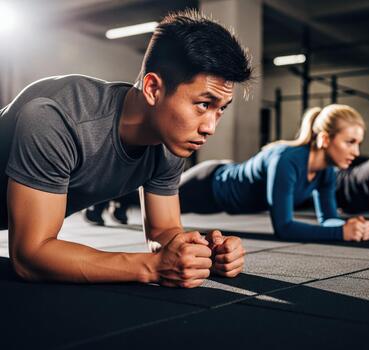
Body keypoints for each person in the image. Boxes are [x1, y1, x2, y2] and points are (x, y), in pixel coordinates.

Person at [0, 10, 252, 288]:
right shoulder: (56, 118)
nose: (210, 127)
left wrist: (200, 255)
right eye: (203, 104)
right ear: (153, 88)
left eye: (220, 110)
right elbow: (29, 256)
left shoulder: (168, 141)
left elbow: (164, 232)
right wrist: (151, 268)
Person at [179, 104, 369, 242]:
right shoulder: (286, 160)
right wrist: (341, 233)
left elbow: (328, 218)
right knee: (150, 205)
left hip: (222, 199)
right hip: (207, 184)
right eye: (350, 142)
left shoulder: (327, 172)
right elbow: (284, 227)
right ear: (324, 139)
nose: (356, 152)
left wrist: (349, 226)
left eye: (359, 143)